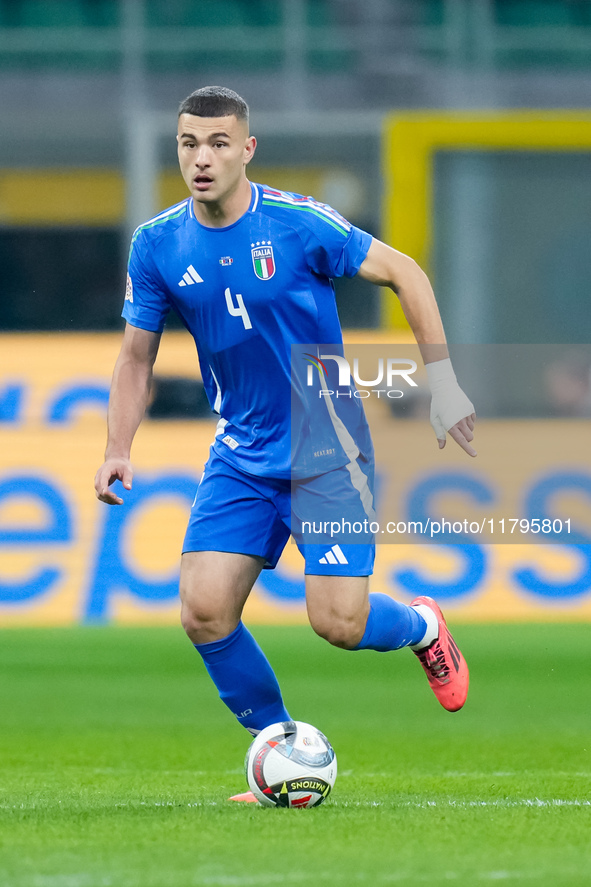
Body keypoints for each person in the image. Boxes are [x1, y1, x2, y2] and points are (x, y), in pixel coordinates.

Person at [94, 86, 475, 793]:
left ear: (246, 148)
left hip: (326, 449)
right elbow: (135, 358)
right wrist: (118, 446)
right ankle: (279, 746)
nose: (200, 159)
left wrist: (443, 382)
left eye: (216, 144)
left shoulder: (298, 225)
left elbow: (405, 271)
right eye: (187, 144)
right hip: (240, 454)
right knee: (203, 609)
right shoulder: (157, 244)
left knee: (337, 620)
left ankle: (421, 626)